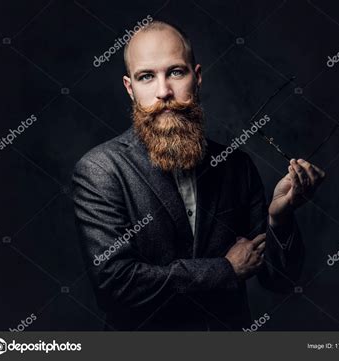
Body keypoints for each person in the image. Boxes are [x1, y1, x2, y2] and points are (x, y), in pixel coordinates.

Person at [72, 20, 325, 331]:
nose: (164, 91)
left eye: (176, 72)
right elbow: (116, 286)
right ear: (130, 88)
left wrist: (279, 219)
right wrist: (226, 270)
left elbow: (279, 281)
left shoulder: (237, 166)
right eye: (147, 77)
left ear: (198, 77)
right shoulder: (100, 170)